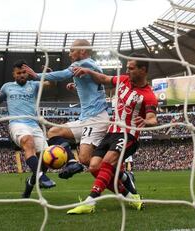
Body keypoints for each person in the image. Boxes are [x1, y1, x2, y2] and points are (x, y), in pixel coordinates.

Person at [67, 53, 158, 214]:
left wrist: (147, 122)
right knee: (94, 167)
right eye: (127, 68)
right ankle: (130, 196)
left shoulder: (148, 95)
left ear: (143, 70)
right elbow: (104, 79)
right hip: (111, 132)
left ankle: (90, 202)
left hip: (128, 135)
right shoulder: (123, 80)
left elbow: (152, 118)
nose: (127, 71)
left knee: (108, 161)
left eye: (131, 68)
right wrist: (88, 72)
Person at [23, 39, 110, 179]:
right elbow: (93, 90)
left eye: (72, 50)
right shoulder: (93, 65)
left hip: (96, 118)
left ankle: (121, 176)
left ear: (82, 51)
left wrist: (37, 76)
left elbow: (63, 74)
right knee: (54, 132)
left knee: (86, 159)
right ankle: (71, 162)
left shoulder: (83, 63)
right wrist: (76, 87)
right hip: (87, 118)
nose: (69, 54)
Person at [0, 59, 56, 198]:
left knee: (45, 161)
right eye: (18, 73)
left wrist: (50, 75)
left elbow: (50, 84)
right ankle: (41, 178)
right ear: (14, 75)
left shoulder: (34, 85)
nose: (21, 75)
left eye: (24, 72)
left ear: (27, 74)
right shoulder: (7, 87)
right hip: (17, 123)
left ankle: (30, 182)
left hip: (34, 124)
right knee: (28, 142)